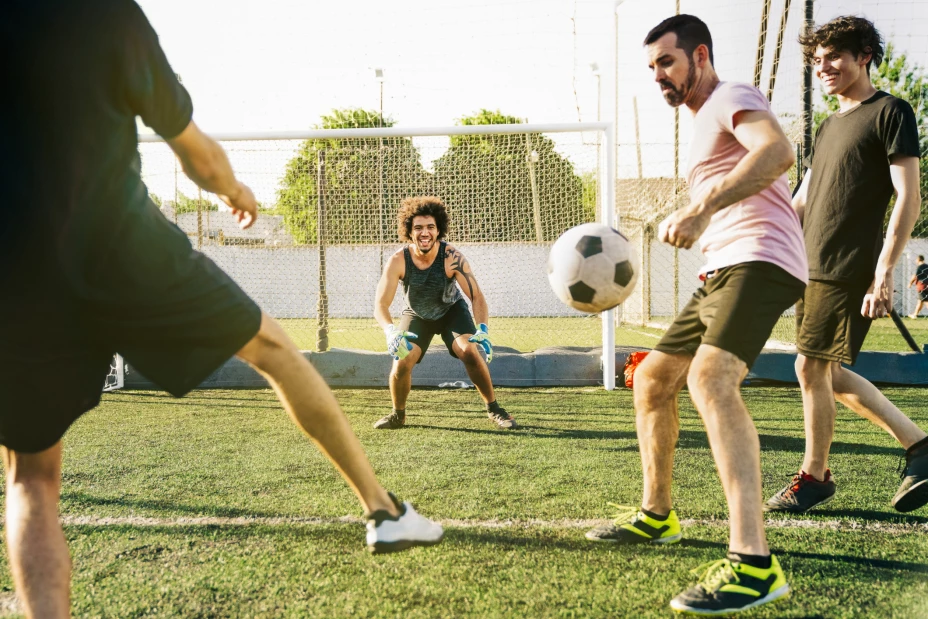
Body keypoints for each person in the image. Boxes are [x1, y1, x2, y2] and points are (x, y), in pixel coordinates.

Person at [0, 1, 443, 616]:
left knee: (30, 477)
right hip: (122, 244)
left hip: (16, 270)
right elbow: (195, 152)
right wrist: (234, 191)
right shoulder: (102, 14)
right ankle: (382, 509)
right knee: (271, 348)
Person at [583, 15, 808, 615]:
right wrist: (687, 208)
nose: (658, 75)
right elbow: (733, 177)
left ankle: (753, 564)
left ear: (699, 56)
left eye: (667, 62)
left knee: (711, 378)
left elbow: (778, 151)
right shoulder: (700, 124)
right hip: (722, 271)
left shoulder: (731, 95)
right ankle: (658, 515)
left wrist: (701, 208)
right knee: (654, 378)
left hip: (761, 260)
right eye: (652, 66)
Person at [765, 16, 928, 515]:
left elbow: (909, 199)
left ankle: (814, 476)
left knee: (810, 366)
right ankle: (920, 447)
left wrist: (884, 271)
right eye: (816, 60)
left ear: (863, 56)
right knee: (825, 373)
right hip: (810, 265)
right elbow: (802, 201)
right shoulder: (829, 125)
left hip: (849, 265)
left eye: (834, 56)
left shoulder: (890, 111)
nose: (824, 67)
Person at [372, 196, 517, 430]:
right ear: (409, 231)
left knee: (469, 350)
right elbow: (380, 305)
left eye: (430, 227)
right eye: (418, 228)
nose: (425, 233)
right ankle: (398, 415)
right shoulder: (398, 260)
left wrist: (483, 329)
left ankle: (494, 409)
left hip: (451, 311)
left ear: (438, 229)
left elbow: (477, 296)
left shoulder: (452, 257)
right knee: (401, 361)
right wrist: (390, 332)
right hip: (417, 314)